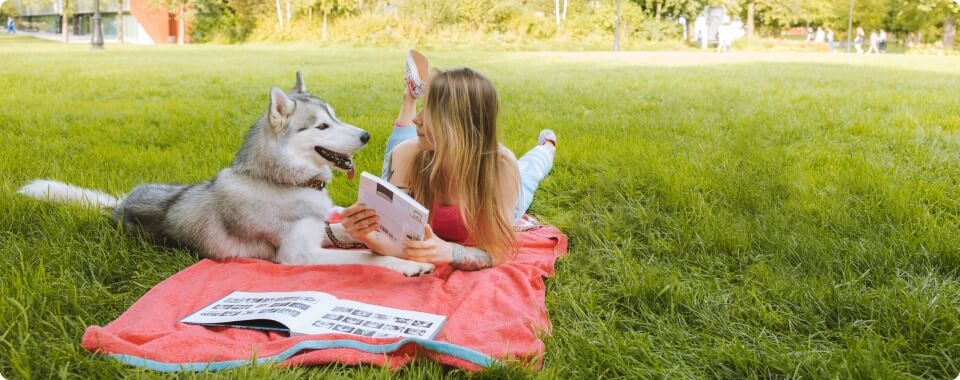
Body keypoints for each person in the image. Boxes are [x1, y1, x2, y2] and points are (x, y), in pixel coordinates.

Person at [339, 53, 558, 271]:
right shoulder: (406, 154)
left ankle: (547, 146)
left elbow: (500, 250)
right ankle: (410, 97)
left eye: (430, 111)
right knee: (400, 146)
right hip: (422, 154)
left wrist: (451, 253)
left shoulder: (498, 166)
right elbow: (395, 241)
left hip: (495, 193)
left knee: (529, 174)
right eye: (422, 108)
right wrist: (366, 235)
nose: (417, 118)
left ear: (457, 124)